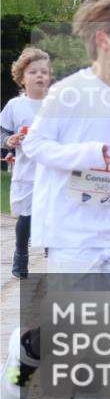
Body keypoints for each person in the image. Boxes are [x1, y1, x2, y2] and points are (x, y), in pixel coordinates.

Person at [2, 0, 110, 399]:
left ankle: (59, 377)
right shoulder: (69, 94)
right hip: (70, 225)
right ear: (103, 39)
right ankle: (50, 369)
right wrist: (86, 153)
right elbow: (35, 143)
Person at [0, 47, 51, 278]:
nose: (40, 76)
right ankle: (21, 256)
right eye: (33, 72)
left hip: (54, 171)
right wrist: (8, 140)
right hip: (27, 172)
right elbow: (3, 131)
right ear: (22, 79)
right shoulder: (14, 106)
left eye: (44, 71)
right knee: (27, 217)